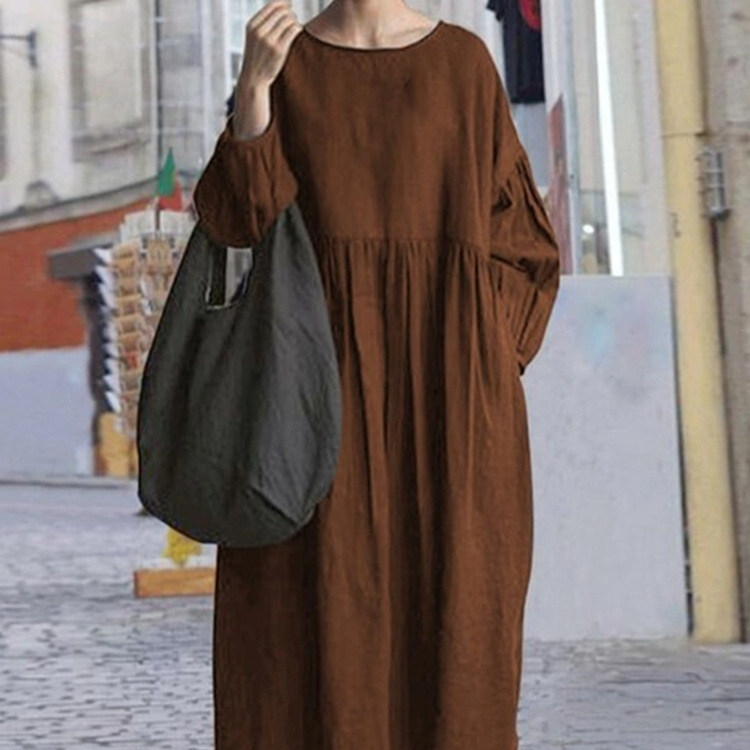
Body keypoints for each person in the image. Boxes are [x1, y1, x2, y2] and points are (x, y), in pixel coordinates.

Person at [193, 1, 560, 749]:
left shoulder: (462, 65)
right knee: (305, 640)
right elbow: (236, 231)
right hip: (309, 412)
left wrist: (479, 362)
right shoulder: (284, 64)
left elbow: (525, 251)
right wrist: (253, 93)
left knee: (456, 637)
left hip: (449, 409)